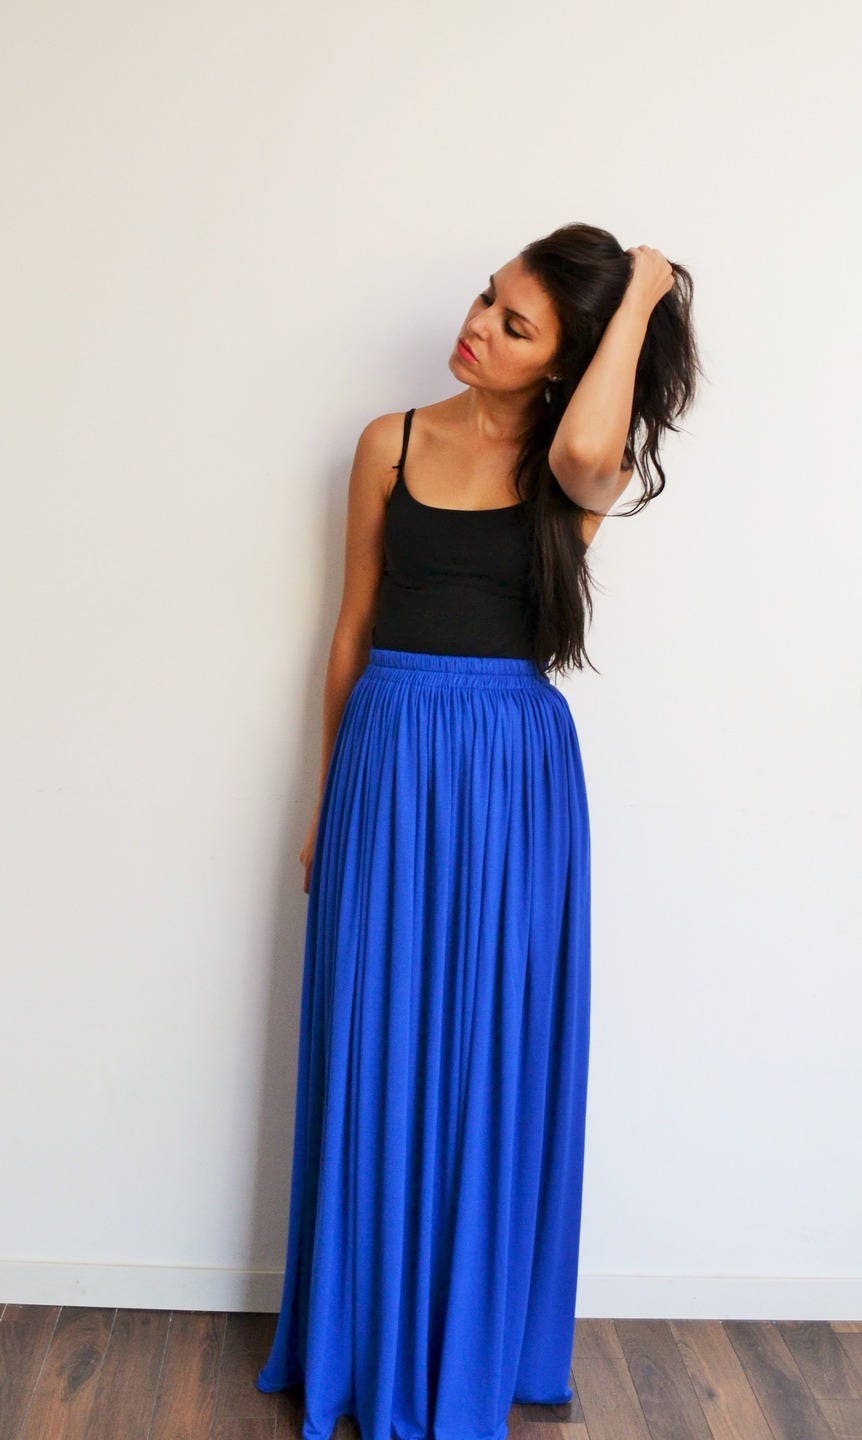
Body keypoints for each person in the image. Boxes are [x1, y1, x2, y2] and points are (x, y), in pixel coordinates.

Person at [256, 223, 702, 1440]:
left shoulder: (573, 469)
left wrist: (641, 292)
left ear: (566, 359)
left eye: (516, 325)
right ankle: (363, 1340)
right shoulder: (388, 442)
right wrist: (324, 797)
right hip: (388, 758)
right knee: (376, 1043)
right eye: (484, 299)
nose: (476, 328)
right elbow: (350, 629)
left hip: (509, 773)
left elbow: (596, 450)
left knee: (484, 1050)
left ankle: (463, 1344)